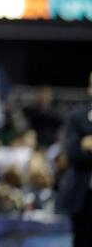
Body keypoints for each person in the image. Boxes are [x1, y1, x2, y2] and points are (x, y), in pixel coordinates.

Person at [56, 71, 92, 247]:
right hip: (83, 196)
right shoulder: (76, 117)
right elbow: (73, 154)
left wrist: (88, 143)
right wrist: (82, 146)